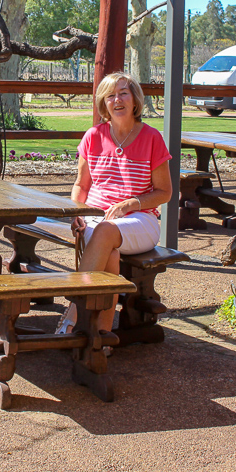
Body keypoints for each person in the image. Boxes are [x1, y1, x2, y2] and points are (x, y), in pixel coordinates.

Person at [56, 72, 173, 335]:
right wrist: (77, 212)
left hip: (139, 220)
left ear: (134, 100)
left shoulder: (152, 137)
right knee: (110, 254)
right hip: (95, 216)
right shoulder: (93, 135)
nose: (117, 100)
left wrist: (130, 204)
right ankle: (101, 337)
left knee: (105, 232)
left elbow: (165, 193)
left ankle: (73, 311)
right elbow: (82, 185)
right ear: (103, 103)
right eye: (110, 95)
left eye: (123, 93)